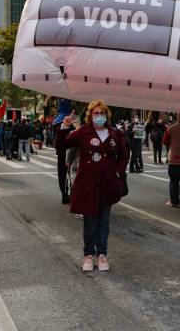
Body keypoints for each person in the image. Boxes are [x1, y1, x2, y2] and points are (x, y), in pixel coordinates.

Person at [58, 100, 129, 272]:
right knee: (90, 222)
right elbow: (62, 145)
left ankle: (102, 255)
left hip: (108, 185)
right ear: (90, 115)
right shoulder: (83, 132)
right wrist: (63, 127)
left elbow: (124, 156)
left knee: (104, 222)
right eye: (95, 113)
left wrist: (117, 173)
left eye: (102, 113)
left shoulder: (115, 133)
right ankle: (88, 255)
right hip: (88, 185)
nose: (99, 116)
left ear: (107, 115)